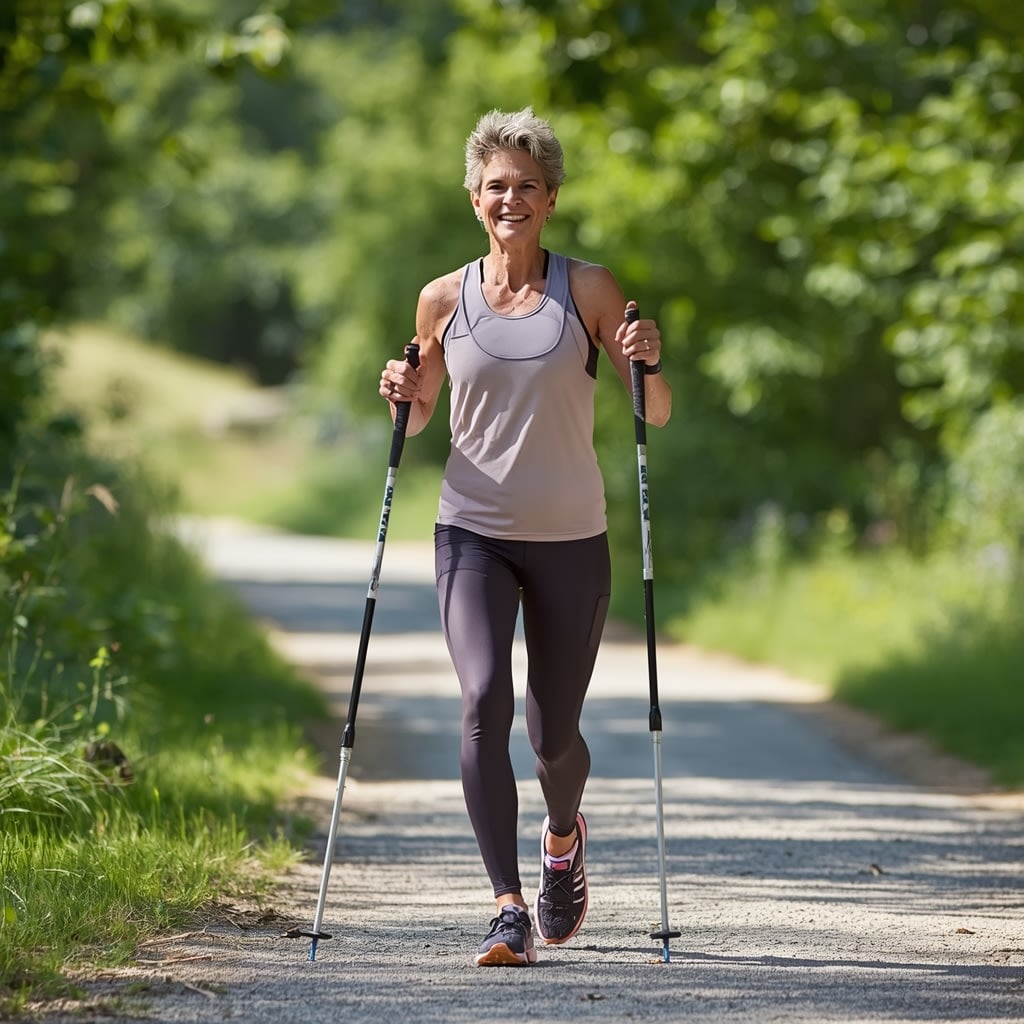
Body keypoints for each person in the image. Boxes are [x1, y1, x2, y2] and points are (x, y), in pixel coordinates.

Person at [378, 107, 672, 967]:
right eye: (496, 185)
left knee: (553, 737)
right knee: (481, 702)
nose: (512, 198)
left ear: (551, 199)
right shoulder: (443, 297)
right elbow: (424, 411)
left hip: (572, 538)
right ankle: (505, 905)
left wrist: (649, 359)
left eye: (528, 186)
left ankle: (561, 835)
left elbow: (651, 408)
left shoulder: (588, 290)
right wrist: (402, 387)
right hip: (471, 531)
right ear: (475, 199)